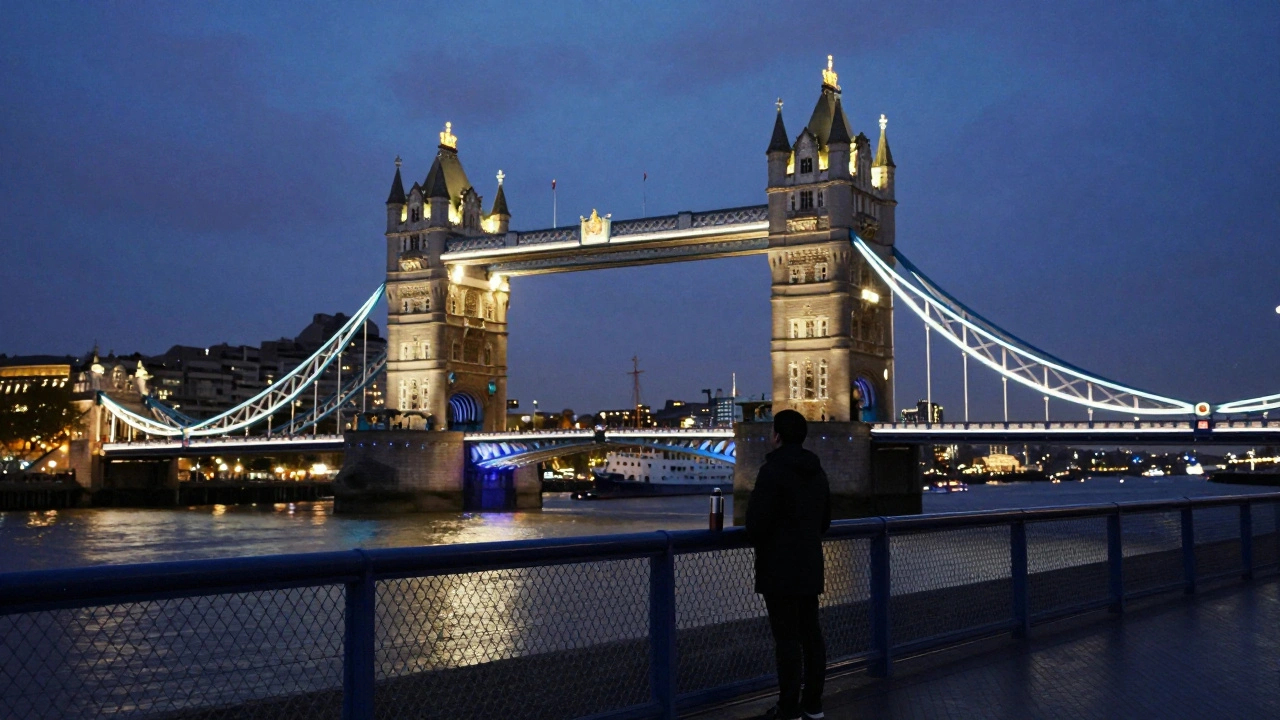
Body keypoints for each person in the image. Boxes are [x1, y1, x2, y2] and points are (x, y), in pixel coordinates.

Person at [745, 409, 832, 720]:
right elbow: (825, 521)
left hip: (778, 568)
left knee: (787, 640)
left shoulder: (772, 471)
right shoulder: (817, 472)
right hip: (810, 564)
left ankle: (789, 707)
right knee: (811, 634)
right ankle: (814, 705)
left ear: (777, 436)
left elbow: (755, 524)